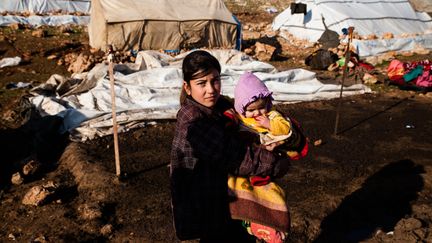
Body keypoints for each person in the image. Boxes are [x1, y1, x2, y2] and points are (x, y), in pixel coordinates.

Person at [170, 50, 288, 242]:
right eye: (201, 83)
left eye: (215, 80)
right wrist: (275, 162)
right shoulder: (193, 120)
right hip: (207, 205)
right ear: (187, 87)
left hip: (224, 200)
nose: (211, 89)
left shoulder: (220, 107)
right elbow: (235, 156)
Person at [234, 71, 308, 163]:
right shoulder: (239, 116)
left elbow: (285, 129)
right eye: (251, 110)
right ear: (241, 109)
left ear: (267, 104)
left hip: (269, 146)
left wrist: (269, 124)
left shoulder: (272, 115)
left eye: (261, 108)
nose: (257, 113)